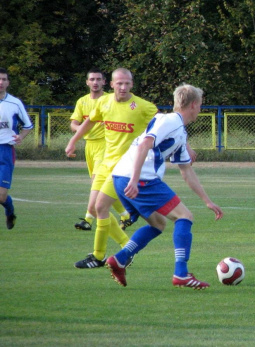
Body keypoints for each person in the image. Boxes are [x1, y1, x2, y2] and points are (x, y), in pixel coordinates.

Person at [105, 84, 223, 290]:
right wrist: (134, 180)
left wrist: (207, 201)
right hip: (140, 179)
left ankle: (120, 259)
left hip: (122, 176)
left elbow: (186, 171)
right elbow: (144, 145)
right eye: (201, 105)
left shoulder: (178, 130)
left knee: (158, 224)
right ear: (193, 104)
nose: (201, 109)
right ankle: (181, 273)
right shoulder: (170, 121)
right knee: (184, 217)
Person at [66, 68, 158, 269]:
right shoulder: (104, 102)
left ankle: (99, 256)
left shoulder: (143, 106)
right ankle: (126, 247)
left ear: (132, 84)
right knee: (99, 209)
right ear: (112, 85)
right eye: (120, 83)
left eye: (127, 83)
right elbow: (89, 121)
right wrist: (73, 140)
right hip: (106, 163)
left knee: (99, 207)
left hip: (124, 167)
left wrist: (184, 146)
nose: (123, 87)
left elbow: (165, 125)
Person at [70, 68, 132, 231]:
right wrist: (81, 130)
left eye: (99, 79)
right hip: (89, 146)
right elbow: (73, 124)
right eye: (92, 79)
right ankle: (126, 215)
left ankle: (88, 219)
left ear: (105, 82)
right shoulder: (82, 102)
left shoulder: (111, 100)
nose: (95, 82)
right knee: (101, 187)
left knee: (97, 186)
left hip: (106, 146)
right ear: (87, 82)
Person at [0, 68, 34, 229]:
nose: (1, 82)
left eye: (4, 79)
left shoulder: (14, 103)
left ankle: (10, 212)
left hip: (6, 151)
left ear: (8, 82)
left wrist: (20, 136)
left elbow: (27, 125)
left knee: (1, 196)